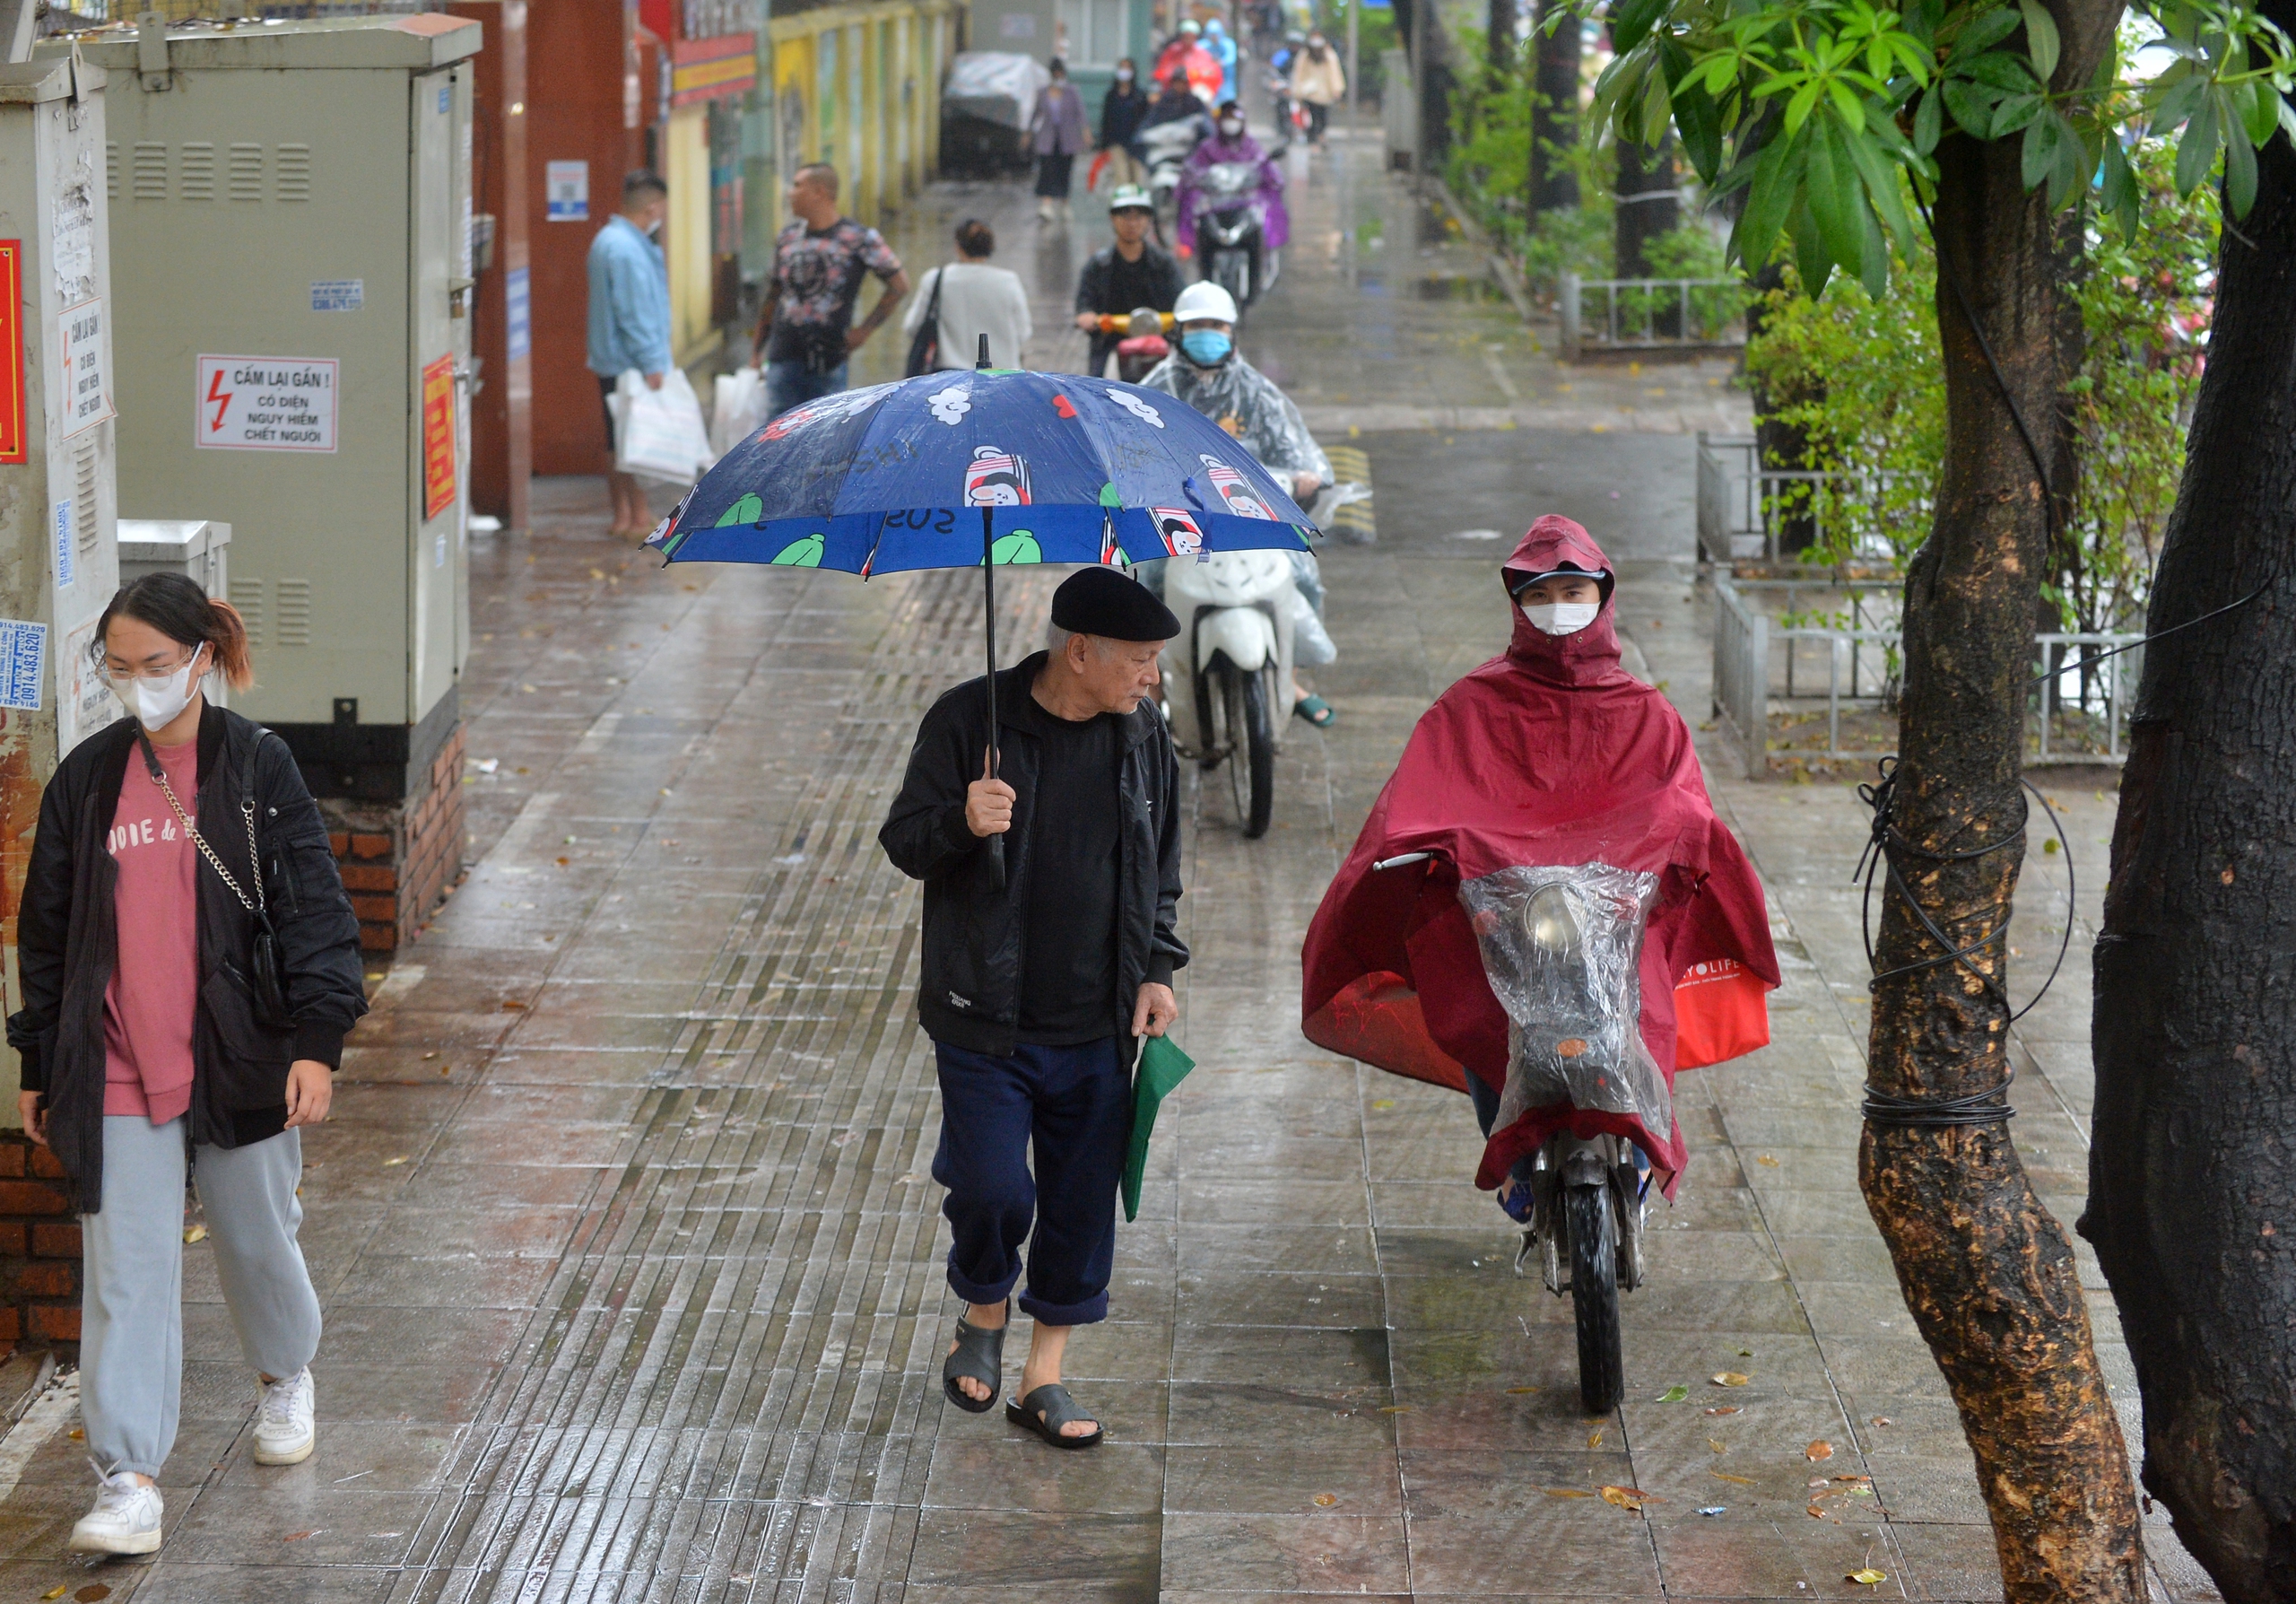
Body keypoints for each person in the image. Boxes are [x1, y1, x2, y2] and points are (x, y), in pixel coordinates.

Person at [8, 574, 367, 1556]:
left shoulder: (255, 767)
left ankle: (285, 1370)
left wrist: (317, 1044)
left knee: (257, 1243)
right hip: (117, 1065)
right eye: (118, 669)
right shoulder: (87, 780)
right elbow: (45, 933)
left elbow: (314, 912)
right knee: (126, 1274)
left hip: (240, 1055)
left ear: (203, 657)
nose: (138, 685)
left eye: (156, 666)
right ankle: (127, 1478)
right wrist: (39, 1057)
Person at [1299, 518, 1779, 1222]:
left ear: (1602, 595)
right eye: (1543, 591)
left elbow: (1680, 800)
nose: (1559, 605)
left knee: (1644, 1013)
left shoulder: (1647, 712)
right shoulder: (1469, 708)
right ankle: (1512, 1148)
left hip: (1615, 918)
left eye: (1573, 589)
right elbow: (1419, 799)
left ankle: (1641, 1147)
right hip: (1507, 922)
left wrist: (1688, 844)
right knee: (1475, 1003)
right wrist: (1417, 850)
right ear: (1517, 603)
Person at [879, 567, 1187, 1451]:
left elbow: (1161, 867)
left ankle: (1042, 1376)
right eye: (1138, 660)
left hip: (1099, 1020)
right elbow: (904, 843)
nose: (1151, 678)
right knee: (988, 1184)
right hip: (984, 1013)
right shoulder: (968, 722)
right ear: (1079, 651)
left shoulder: (1143, 739)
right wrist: (961, 823)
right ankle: (982, 1303)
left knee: (1080, 1197)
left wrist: (1158, 967)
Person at [1139, 279, 1338, 724]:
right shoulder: (1155, 389)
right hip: (1178, 522)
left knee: (1302, 575)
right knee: (1144, 594)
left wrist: (1306, 477)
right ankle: (1148, 693)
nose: (1207, 334)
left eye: (1216, 325)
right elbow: (1133, 451)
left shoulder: (1258, 392)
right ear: (1178, 332)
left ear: (1231, 332)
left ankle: (1286, 675)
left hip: (1253, 517)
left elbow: (1297, 451)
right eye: (1197, 326)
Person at [752, 163, 909, 421]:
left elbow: (899, 284)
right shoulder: (788, 237)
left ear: (819, 192)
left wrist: (863, 332)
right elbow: (774, 294)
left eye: (797, 186)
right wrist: (757, 351)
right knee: (776, 434)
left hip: (829, 359)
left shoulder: (858, 238)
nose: (790, 193)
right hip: (783, 355)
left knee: (824, 433)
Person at [586, 169, 673, 540]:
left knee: (616, 437)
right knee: (632, 439)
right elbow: (635, 312)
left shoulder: (608, 240)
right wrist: (653, 361)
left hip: (611, 358)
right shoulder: (627, 249)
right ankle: (635, 514)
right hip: (630, 361)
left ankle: (623, 513)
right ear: (652, 207)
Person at [1073, 186, 1183, 377]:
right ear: (1113, 219)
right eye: (1125, 216)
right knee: (1096, 392)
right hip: (1110, 345)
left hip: (1159, 345)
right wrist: (1087, 317)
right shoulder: (1097, 265)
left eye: (1139, 217)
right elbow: (1084, 304)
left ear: (1149, 220)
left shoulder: (1165, 264)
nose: (1132, 223)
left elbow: (1181, 302)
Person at [1175, 100, 1290, 275]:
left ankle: (1266, 256)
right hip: (1213, 204)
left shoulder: (1251, 147)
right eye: (1227, 117)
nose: (1231, 122)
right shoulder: (1207, 148)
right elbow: (1192, 169)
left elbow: (1267, 170)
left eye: (1235, 118)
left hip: (1245, 203)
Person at [904, 219, 1033, 370]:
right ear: (990, 247)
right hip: (1002, 374)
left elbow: (912, 326)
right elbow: (1023, 331)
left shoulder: (936, 279)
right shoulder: (1008, 281)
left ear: (958, 246)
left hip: (951, 376)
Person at [1029, 58, 1091, 221]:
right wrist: (1028, 132)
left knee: (1064, 170)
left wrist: (1085, 131)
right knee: (1047, 170)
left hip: (1067, 138)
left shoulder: (1071, 92)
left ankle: (1064, 203)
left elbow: (1080, 113)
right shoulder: (1043, 92)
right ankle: (1046, 204)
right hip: (1048, 137)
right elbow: (1035, 114)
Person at [1096, 57, 1151, 190]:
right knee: (1121, 176)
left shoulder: (1139, 95)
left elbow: (1146, 119)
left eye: (1127, 68)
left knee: (1137, 178)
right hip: (1117, 142)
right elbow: (1106, 120)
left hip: (1136, 144)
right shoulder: (1111, 96)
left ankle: (1136, 208)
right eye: (1122, 68)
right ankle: (1123, 208)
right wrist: (1103, 144)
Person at [1290, 31, 1346, 147]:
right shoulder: (1305, 55)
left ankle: (1320, 136)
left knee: (1322, 117)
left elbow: (1334, 73)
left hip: (1324, 94)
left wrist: (1336, 89)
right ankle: (1313, 140)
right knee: (1310, 118)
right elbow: (1299, 73)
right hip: (1309, 93)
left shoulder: (1329, 55)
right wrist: (1297, 90)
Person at [1201, 16, 1238, 101]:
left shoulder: (1228, 44)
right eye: (1212, 34)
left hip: (1226, 78)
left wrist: (1221, 63)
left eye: (1216, 34)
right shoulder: (1202, 45)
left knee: (1227, 100)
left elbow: (1231, 58)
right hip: (1208, 78)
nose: (1214, 37)